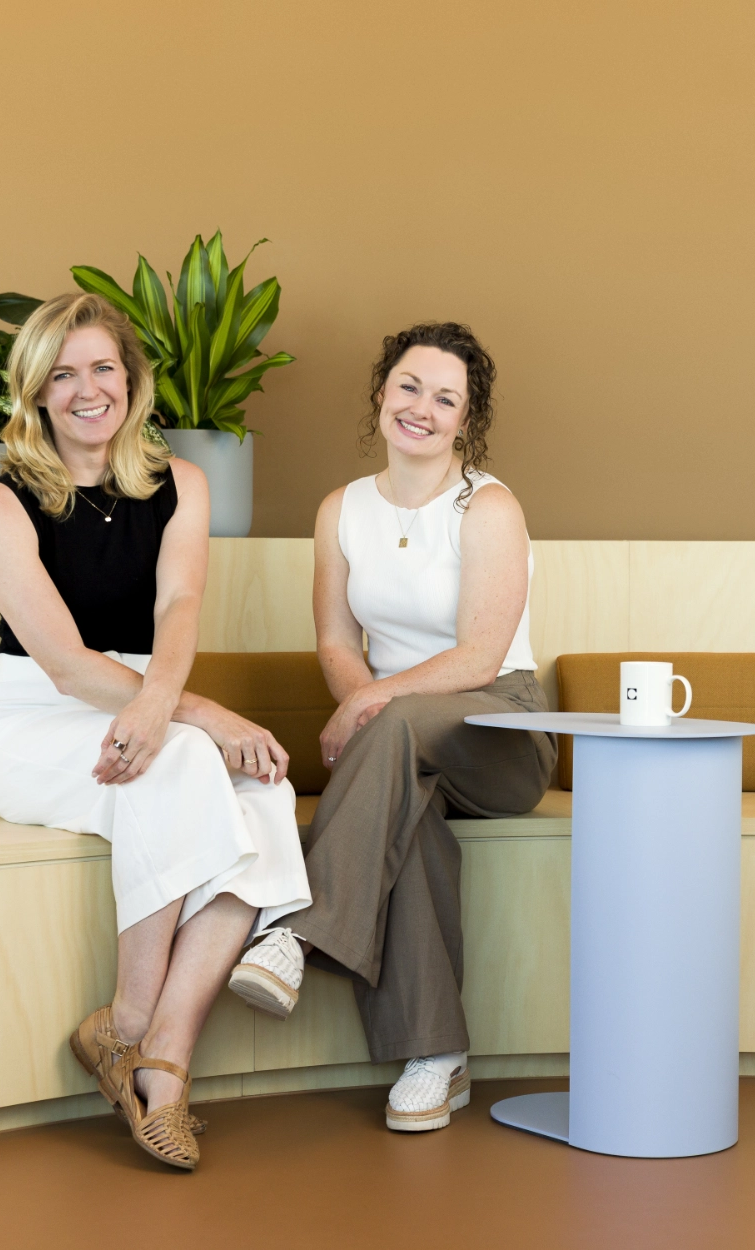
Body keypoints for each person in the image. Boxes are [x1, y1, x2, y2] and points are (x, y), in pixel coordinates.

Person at [0, 292, 310, 1170]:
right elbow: (71, 667)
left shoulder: (179, 483)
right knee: (188, 762)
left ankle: (157, 1056)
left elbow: (179, 603)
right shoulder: (0, 509)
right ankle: (128, 1031)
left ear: (132, 379)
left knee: (261, 786)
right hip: (38, 721)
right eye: (65, 373)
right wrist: (188, 710)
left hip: (151, 694)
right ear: (37, 392)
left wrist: (164, 702)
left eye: (104, 368)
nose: (88, 389)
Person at [229, 322, 556, 1133]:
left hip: (500, 729)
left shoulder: (488, 506)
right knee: (405, 824)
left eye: (446, 398)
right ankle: (437, 1057)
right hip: (400, 738)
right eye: (409, 386)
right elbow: (339, 643)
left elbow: (481, 655)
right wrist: (361, 698)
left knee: (397, 730)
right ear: (382, 391)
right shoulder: (342, 509)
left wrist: (368, 704)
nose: (422, 408)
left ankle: (297, 935)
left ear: (464, 420)